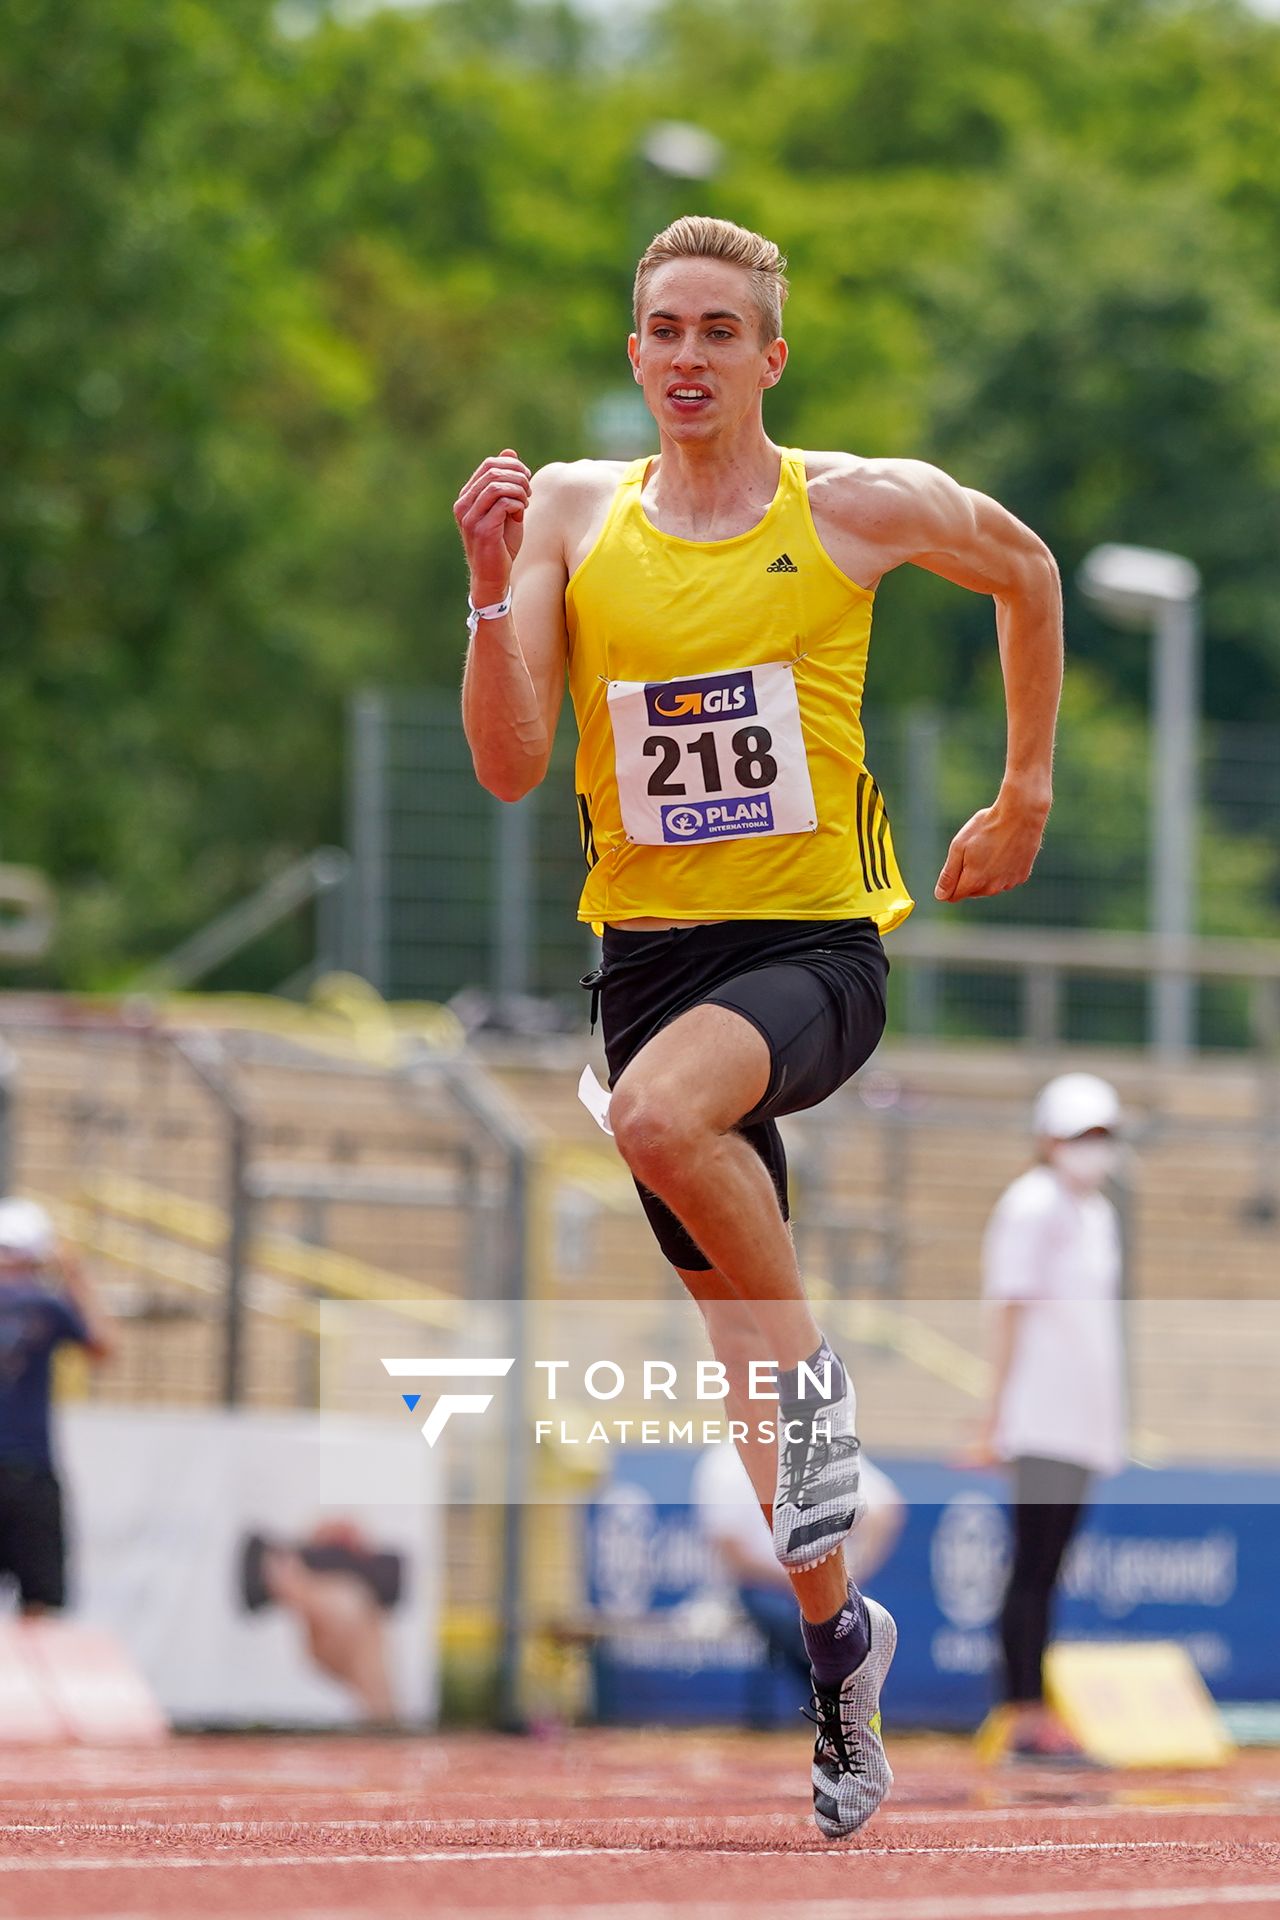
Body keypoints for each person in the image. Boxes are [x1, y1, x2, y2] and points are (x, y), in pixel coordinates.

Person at [454, 214, 1061, 1836]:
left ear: (769, 356)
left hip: (810, 955)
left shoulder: (852, 505)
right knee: (746, 1385)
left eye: (724, 330)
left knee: (654, 1122)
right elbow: (513, 763)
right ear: (635, 349)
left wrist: (1024, 788)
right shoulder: (572, 516)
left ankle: (816, 1383)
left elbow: (1026, 569)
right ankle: (837, 1647)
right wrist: (478, 589)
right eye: (667, 330)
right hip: (643, 969)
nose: (691, 357)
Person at [974, 1072, 1127, 1760]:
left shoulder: (1097, 1213)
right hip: (1039, 1413)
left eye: (1102, 1136)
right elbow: (1006, 1309)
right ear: (1047, 1139)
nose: (1092, 1149)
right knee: (1033, 1565)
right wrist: (993, 1415)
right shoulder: (1031, 1205)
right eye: (1079, 1135)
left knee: (1050, 1565)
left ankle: (1033, 1704)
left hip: (1083, 1417)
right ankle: (1022, 1708)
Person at [692, 1438, 904, 1699]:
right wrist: (801, 1581)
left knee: (861, 1623)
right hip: (763, 1588)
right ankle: (835, 1700)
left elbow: (886, 1510)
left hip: (831, 1582)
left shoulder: (824, 1443)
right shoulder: (726, 1461)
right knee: (803, 1627)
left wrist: (853, 1571)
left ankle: (846, 1701)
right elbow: (732, 1554)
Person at [0, 1198, 115, 1614]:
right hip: (30, 1472)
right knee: (40, 1605)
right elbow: (104, 1347)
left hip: (29, 1466)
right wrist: (76, 1276)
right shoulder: (46, 1305)